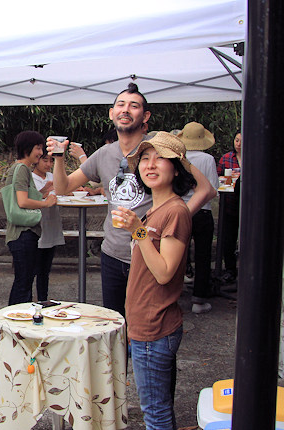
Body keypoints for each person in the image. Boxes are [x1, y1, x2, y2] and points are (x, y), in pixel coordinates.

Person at [49, 83, 215, 318]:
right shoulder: (104, 154)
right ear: (111, 113)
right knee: (115, 326)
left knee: (146, 326)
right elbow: (63, 187)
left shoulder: (159, 148)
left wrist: (178, 217)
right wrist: (58, 158)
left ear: (145, 116)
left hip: (150, 255)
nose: (125, 110)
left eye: (134, 106)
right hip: (112, 254)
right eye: (120, 105)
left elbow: (206, 189)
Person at [114, 132, 195, 430]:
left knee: (155, 411)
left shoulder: (175, 211)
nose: (150, 164)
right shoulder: (154, 210)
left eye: (159, 158)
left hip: (155, 326)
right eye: (144, 159)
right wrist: (138, 230)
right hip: (145, 324)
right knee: (157, 408)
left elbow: (164, 273)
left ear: (176, 169)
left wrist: (138, 231)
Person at [6, 131, 57, 305]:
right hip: (23, 233)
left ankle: (16, 322)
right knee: (23, 284)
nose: (40, 152)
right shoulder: (21, 169)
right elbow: (23, 201)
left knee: (24, 282)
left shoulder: (20, 168)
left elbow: (25, 196)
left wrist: (43, 193)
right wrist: (46, 203)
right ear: (27, 148)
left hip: (22, 234)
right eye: (38, 148)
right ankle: (15, 323)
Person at [176, 122, 219, 314]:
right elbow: (213, 188)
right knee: (203, 255)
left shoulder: (178, 157)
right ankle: (199, 300)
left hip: (180, 209)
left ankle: (174, 295)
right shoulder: (208, 159)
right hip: (202, 211)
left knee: (176, 254)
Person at [31, 151, 65, 302]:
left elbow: (65, 190)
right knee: (34, 268)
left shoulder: (53, 176)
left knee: (45, 269)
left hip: (52, 226)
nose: (48, 164)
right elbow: (28, 200)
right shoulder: (30, 178)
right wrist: (45, 190)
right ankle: (27, 300)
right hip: (38, 227)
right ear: (36, 160)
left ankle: (43, 300)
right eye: (45, 160)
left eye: (51, 161)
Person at [216, 130, 241, 282]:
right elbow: (222, 184)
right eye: (236, 140)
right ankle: (230, 270)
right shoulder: (227, 158)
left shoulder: (254, 156)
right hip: (230, 205)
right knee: (228, 239)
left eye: (241, 140)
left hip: (249, 207)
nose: (238, 143)